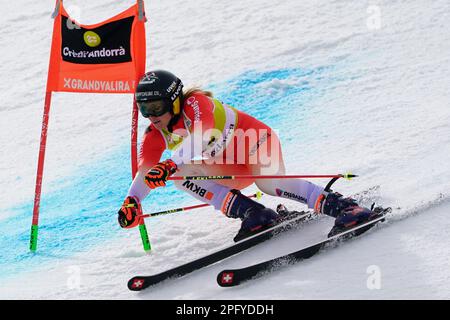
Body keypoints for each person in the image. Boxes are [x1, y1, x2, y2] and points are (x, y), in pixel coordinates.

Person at [117, 70, 381, 240]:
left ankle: (347, 208)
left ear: (174, 100)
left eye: (156, 107)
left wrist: (168, 163)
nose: (151, 116)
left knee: (269, 183)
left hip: (256, 144)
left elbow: (202, 136)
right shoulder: (154, 133)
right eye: (144, 109)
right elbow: (145, 171)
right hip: (231, 167)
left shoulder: (196, 104)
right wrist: (132, 201)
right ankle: (254, 214)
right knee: (176, 175)